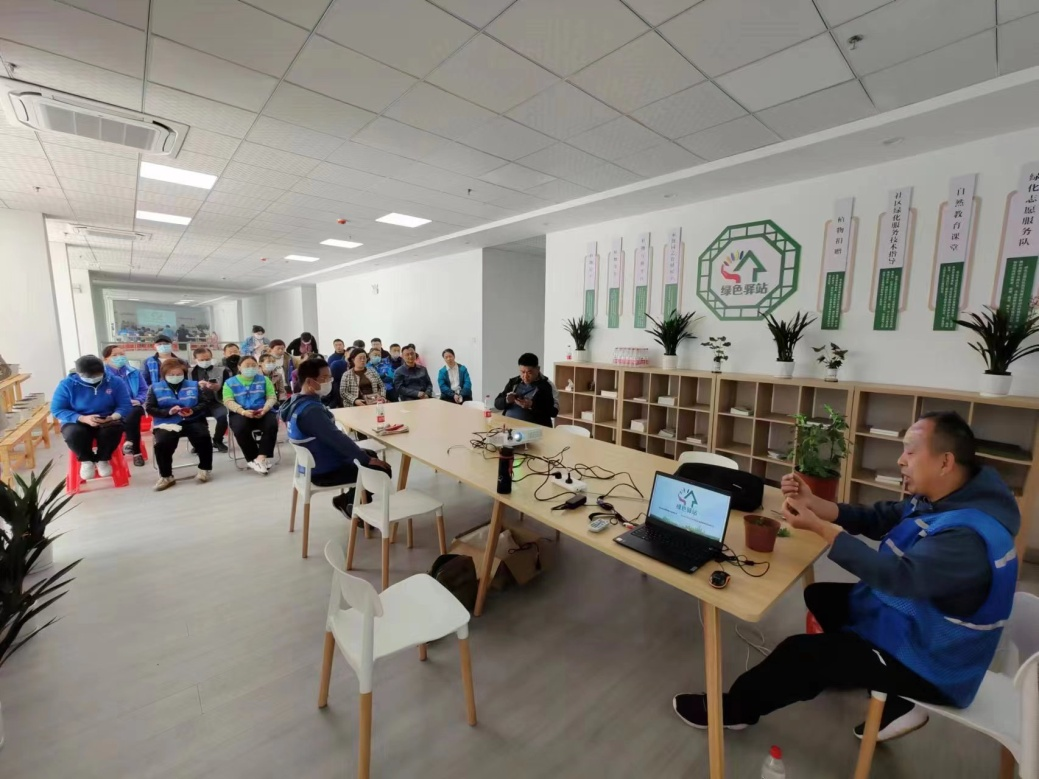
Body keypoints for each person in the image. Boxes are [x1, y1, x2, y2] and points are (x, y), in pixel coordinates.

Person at [672, 412, 1019, 743]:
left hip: (934, 665)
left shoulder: (967, 537)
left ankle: (736, 710)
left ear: (945, 462)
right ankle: (876, 685)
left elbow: (897, 578)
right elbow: (879, 517)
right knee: (822, 597)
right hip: (920, 625)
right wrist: (814, 503)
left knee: (801, 654)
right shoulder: (948, 498)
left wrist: (822, 529)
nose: (901, 460)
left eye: (911, 452)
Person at [281, 357, 391, 514]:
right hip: (325, 470)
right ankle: (355, 509)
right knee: (381, 469)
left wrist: (365, 456)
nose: (329, 382)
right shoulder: (311, 411)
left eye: (330, 377)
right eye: (324, 378)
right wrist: (365, 459)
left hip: (311, 464)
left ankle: (349, 501)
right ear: (310, 382)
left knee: (370, 455)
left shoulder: (296, 403)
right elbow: (337, 439)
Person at [52, 355, 132, 480]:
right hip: (77, 420)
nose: (93, 379)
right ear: (78, 373)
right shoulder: (67, 385)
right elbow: (57, 409)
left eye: (96, 375)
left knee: (112, 430)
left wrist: (113, 417)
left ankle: (103, 459)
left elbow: (125, 405)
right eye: (88, 377)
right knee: (74, 434)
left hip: (107, 418)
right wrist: (82, 418)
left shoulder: (115, 382)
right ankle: (86, 461)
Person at [146, 358, 214, 491]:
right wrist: (168, 412)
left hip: (192, 419)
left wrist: (193, 410)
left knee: (203, 437)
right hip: (167, 422)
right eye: (171, 374)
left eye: (179, 374)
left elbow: (204, 403)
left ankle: (204, 469)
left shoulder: (193, 385)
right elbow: (149, 408)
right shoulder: (155, 388)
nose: (175, 377)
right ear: (164, 374)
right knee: (162, 443)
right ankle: (166, 476)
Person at [222, 355, 278, 475]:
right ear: (239, 367)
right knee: (240, 428)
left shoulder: (264, 380)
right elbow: (228, 401)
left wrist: (265, 409)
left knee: (271, 425)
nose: (251, 368)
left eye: (253, 365)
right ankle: (253, 458)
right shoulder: (230, 383)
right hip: (240, 412)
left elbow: (272, 397)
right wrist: (243, 411)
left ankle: (261, 458)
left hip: (262, 410)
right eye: (247, 366)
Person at [103, 345, 147, 466]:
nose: (119, 357)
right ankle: (135, 451)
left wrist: (139, 400)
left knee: (134, 412)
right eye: (115, 355)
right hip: (111, 408)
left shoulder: (134, 372)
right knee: (131, 420)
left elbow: (144, 390)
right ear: (105, 359)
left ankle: (129, 443)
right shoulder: (102, 375)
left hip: (133, 405)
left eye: (122, 354)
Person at [494, 353, 557, 427]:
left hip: (532, 428)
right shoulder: (514, 382)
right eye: (522, 372)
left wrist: (532, 405)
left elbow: (553, 412)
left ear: (538, 369)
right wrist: (507, 400)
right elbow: (497, 404)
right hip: (508, 425)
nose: (525, 376)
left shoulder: (546, 386)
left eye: (529, 372)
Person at [190, 346, 229, 453]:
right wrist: (196, 386)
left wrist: (218, 387)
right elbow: (184, 389)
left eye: (207, 359)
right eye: (202, 360)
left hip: (216, 401)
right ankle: (200, 443)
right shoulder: (189, 372)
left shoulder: (222, 371)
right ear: (195, 360)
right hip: (197, 403)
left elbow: (229, 388)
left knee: (223, 416)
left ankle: (218, 440)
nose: (205, 362)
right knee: (194, 420)